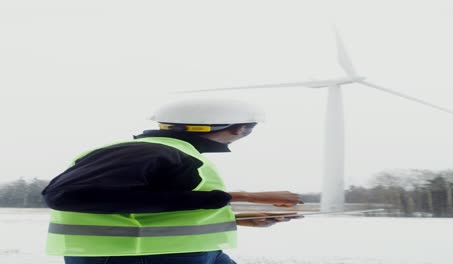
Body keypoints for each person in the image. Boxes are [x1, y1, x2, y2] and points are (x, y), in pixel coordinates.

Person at [42, 98, 304, 264]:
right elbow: (68, 195)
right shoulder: (149, 151)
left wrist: (236, 218)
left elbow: (145, 204)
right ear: (240, 128)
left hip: (183, 251)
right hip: (137, 256)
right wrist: (241, 196)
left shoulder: (169, 153)